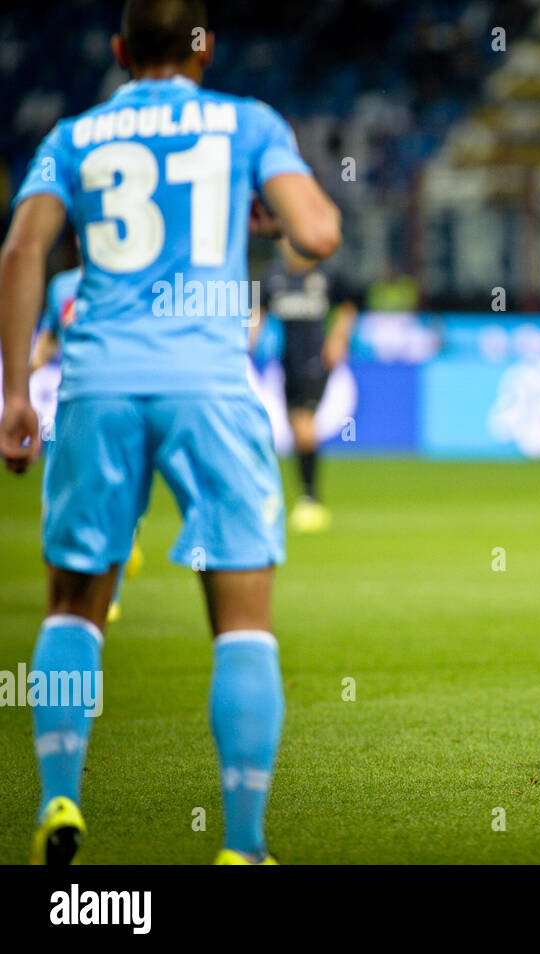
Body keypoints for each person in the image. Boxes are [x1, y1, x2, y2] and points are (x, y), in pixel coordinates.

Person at [0, 0, 341, 865]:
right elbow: (317, 231)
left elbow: (21, 253)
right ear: (206, 48)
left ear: (118, 51)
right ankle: (241, 843)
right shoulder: (245, 122)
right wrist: (251, 211)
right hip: (209, 388)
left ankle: (62, 797)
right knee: (242, 622)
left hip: (97, 383)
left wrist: (15, 395)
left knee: (75, 605)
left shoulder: (72, 136)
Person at [30, 262, 146, 623]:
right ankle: (76, 587)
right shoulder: (61, 286)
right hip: (74, 403)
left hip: (125, 401)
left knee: (116, 497)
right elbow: (51, 332)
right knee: (68, 498)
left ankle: (107, 593)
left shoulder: (136, 275)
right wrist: (30, 367)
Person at [258, 235, 357, 533]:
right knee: (294, 426)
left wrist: (339, 338)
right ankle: (306, 496)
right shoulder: (273, 277)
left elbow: (348, 306)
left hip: (316, 361)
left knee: (304, 424)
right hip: (287, 360)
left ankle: (310, 499)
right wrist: (247, 340)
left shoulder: (326, 275)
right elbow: (257, 312)